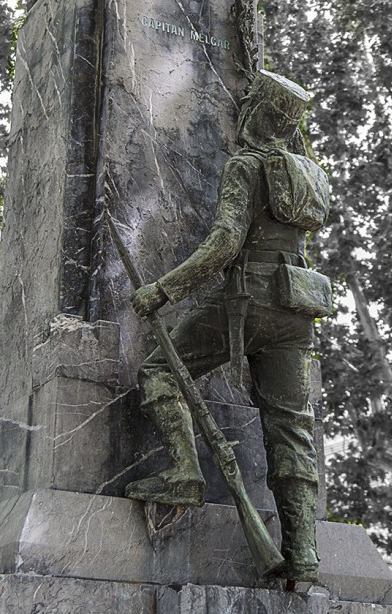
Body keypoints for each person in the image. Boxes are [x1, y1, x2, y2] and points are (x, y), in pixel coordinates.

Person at [126, 69, 332, 583]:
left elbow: (223, 245)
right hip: (298, 310)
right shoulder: (308, 173)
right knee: (292, 428)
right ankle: (304, 553)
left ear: (255, 112)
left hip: (247, 299)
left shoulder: (247, 165)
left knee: (160, 372)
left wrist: (163, 290)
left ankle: (186, 474)